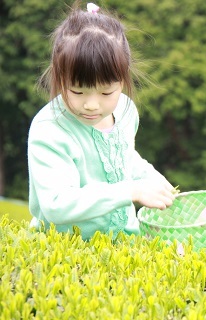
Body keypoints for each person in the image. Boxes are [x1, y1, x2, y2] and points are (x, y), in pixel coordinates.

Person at [28, 2, 177, 240]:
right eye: (77, 92)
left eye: (106, 93)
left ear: (123, 78)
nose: (92, 105)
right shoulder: (50, 129)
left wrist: (150, 178)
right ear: (58, 77)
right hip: (67, 244)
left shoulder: (126, 110)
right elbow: (56, 203)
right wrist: (130, 190)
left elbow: (124, 156)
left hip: (124, 240)